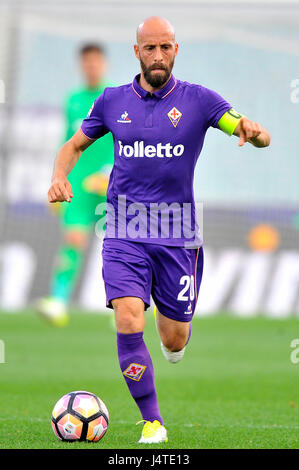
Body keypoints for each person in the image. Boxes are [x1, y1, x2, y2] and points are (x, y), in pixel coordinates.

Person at [47, 17, 271, 443]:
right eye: (149, 48)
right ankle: (152, 420)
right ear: (137, 52)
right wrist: (60, 176)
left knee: (173, 338)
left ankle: (175, 335)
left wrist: (253, 133)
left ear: (176, 50)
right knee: (129, 318)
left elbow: (245, 129)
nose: (158, 56)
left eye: (165, 47)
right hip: (123, 231)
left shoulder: (200, 100)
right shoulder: (112, 102)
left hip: (177, 235)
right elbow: (72, 147)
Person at [37, 43, 114, 326]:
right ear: (81, 65)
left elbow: (127, 141)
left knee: (120, 245)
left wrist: (111, 171)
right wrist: (57, 179)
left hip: (110, 183)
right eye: (86, 62)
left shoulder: (113, 98)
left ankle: (129, 305)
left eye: (95, 62)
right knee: (73, 239)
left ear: (103, 64)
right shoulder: (73, 100)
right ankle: (57, 302)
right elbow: (66, 144)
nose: (91, 67)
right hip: (78, 185)